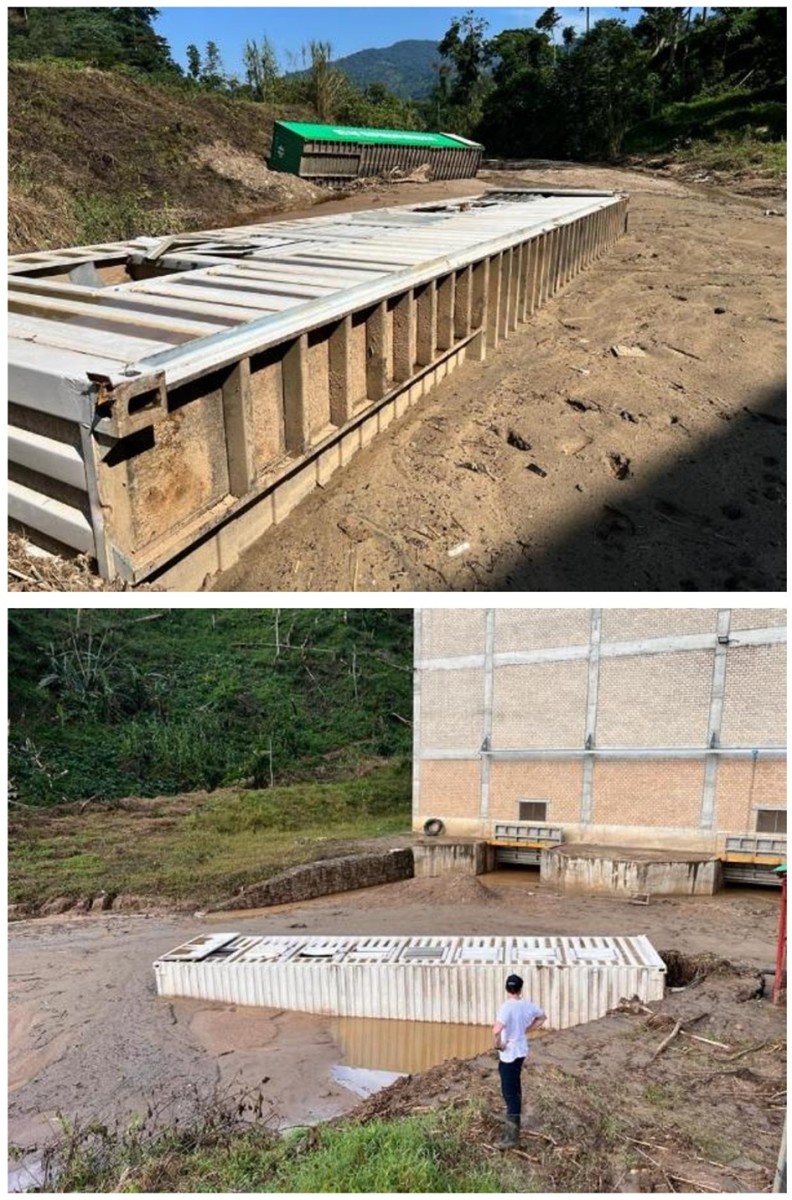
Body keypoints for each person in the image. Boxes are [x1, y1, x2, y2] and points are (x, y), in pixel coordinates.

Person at [492, 973, 546, 1148]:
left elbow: (496, 1029)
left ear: (507, 989)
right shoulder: (527, 1005)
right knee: (515, 1087)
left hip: (509, 1054)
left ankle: (512, 1138)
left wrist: (498, 1044)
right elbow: (542, 1017)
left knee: (509, 1092)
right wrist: (526, 1030)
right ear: (520, 989)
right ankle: (513, 1126)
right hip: (521, 1051)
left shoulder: (506, 1007)